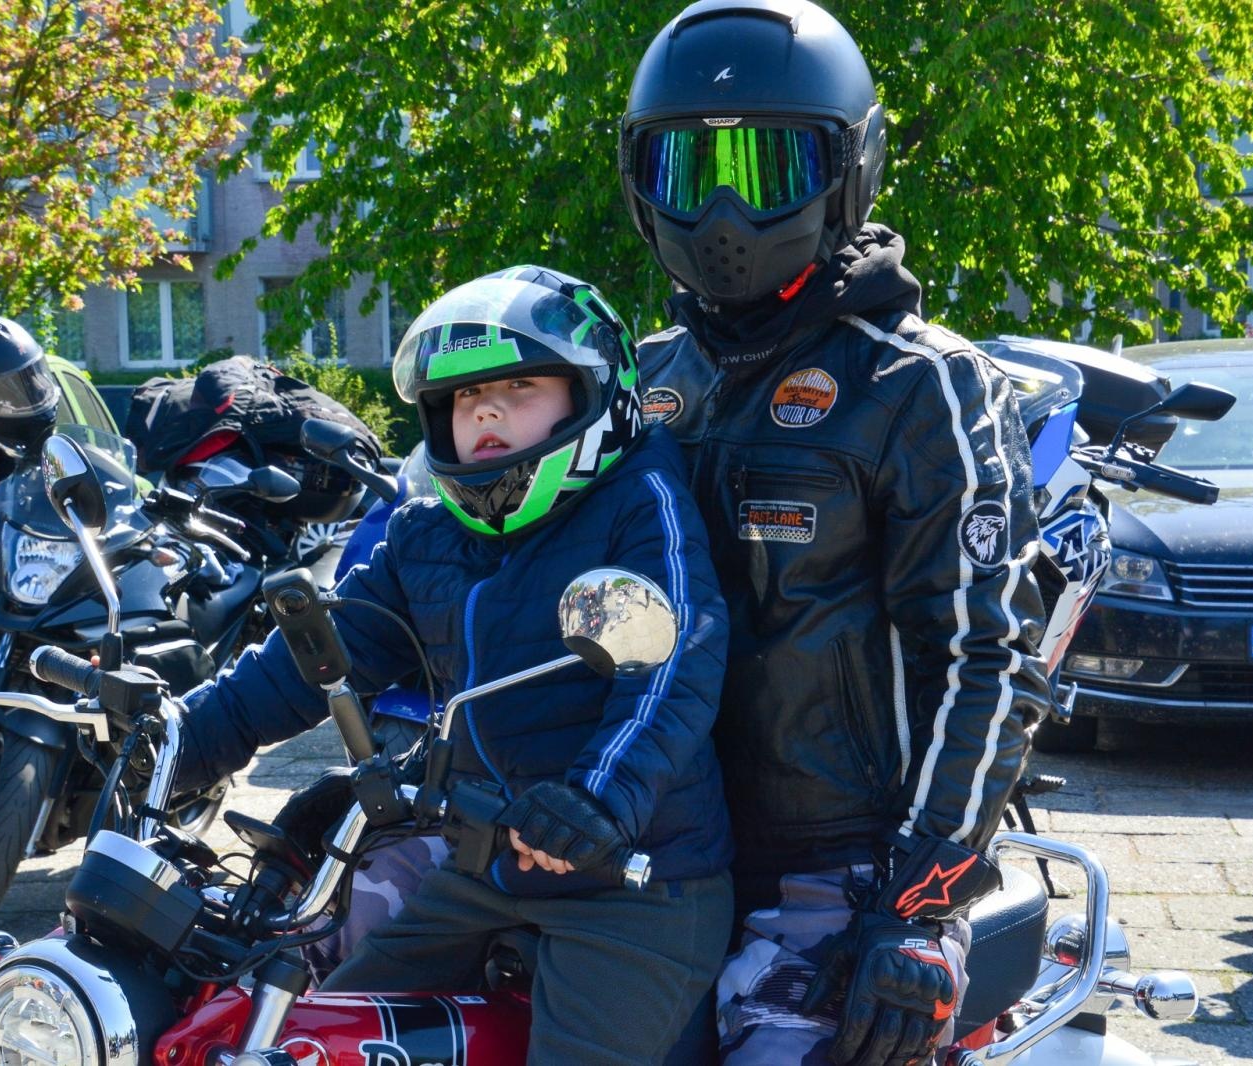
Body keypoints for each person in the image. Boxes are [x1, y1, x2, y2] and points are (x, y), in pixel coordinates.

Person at [617, 3, 1053, 1064]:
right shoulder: (644, 378)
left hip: (843, 867)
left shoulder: (919, 382)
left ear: (848, 168)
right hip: (658, 847)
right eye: (685, 167)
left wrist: (922, 898)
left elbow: (989, 657)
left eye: (767, 169)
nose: (721, 210)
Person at [177, 267, 735, 1064]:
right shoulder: (425, 535)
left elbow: (677, 659)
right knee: (331, 1034)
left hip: (633, 880)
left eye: (519, 385)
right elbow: (320, 656)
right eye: (467, 400)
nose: (490, 410)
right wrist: (189, 735)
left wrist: (597, 799)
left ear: (592, 393)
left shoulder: (639, 500)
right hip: (491, 868)